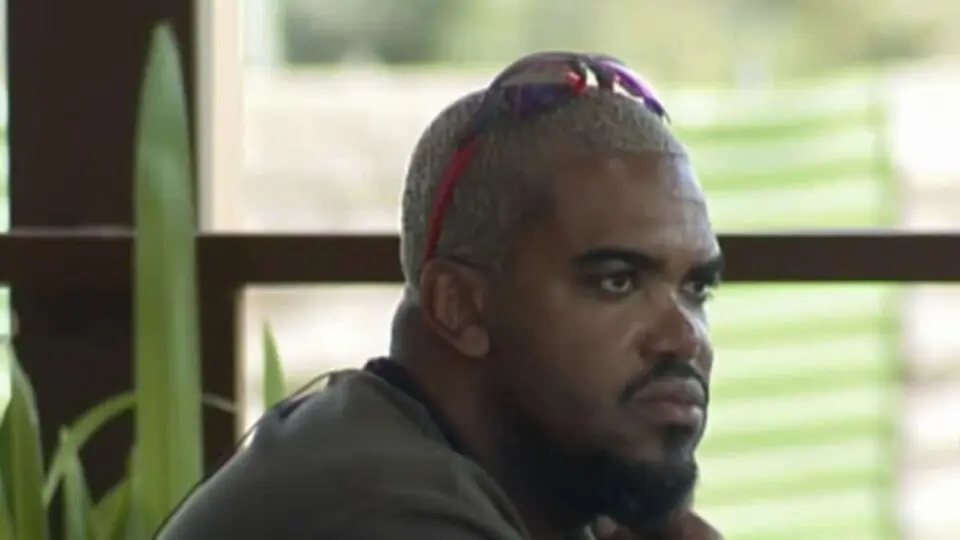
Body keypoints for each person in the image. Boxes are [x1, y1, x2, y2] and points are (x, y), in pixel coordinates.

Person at [157, 52, 724, 540]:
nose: (682, 337)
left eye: (695, 289)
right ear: (460, 306)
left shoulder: (438, 462)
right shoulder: (389, 511)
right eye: (617, 281)